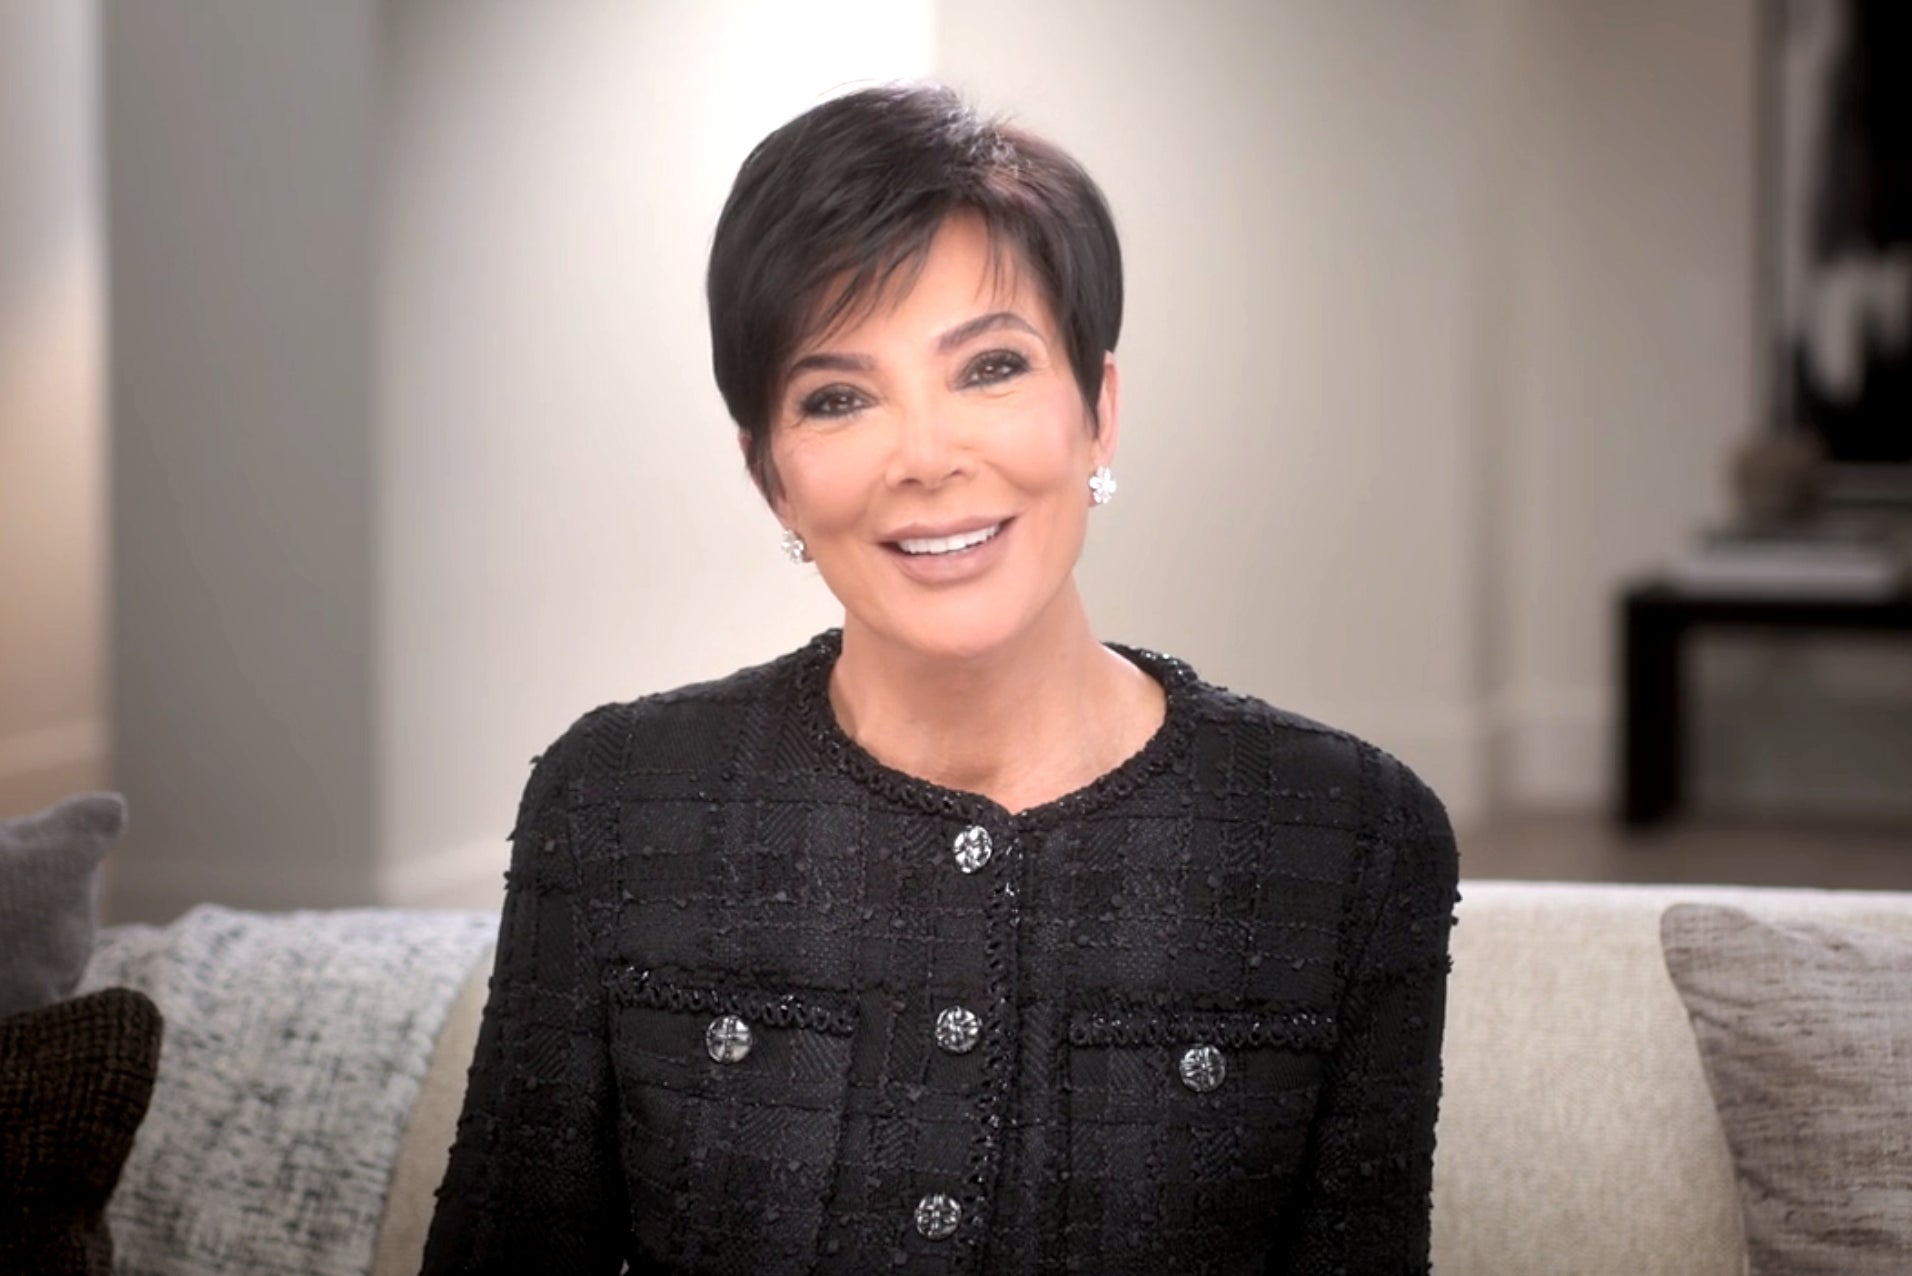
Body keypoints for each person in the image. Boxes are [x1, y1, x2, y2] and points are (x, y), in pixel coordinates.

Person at [422, 82, 1458, 1275]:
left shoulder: (1348, 835)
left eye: (992, 368)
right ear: (773, 479)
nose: (924, 458)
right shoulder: (614, 800)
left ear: (1097, 411)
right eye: (839, 397)